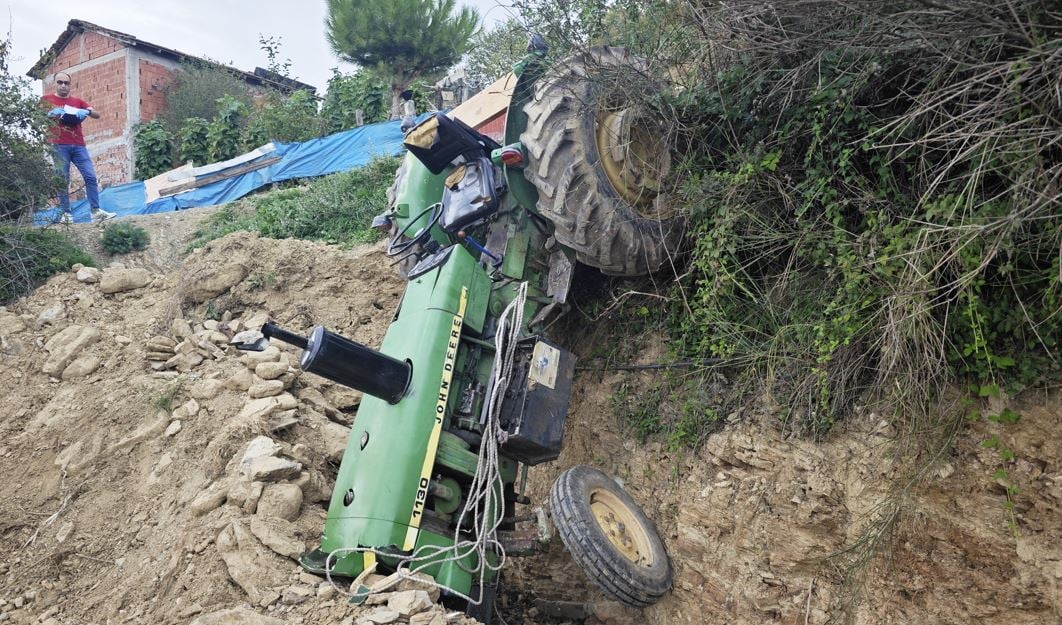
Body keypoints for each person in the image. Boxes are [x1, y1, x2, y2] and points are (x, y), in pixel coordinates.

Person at [41, 71, 115, 224]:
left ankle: (95, 211)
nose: (63, 85)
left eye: (66, 83)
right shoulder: (46, 99)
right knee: (63, 179)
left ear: (70, 85)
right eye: (60, 82)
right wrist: (50, 113)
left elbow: (97, 114)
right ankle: (65, 214)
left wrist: (86, 111)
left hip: (79, 145)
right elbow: (36, 115)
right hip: (59, 145)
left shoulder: (77, 101)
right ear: (55, 83)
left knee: (90, 177)